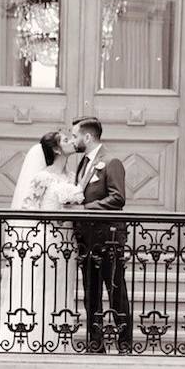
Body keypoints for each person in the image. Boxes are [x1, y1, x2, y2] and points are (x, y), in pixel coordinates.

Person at [0, 130, 84, 351]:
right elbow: (28, 208)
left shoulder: (71, 177)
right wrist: (53, 219)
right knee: (41, 286)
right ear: (57, 149)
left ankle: (57, 340)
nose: (72, 141)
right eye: (66, 140)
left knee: (60, 287)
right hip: (45, 239)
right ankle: (32, 339)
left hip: (66, 243)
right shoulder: (42, 177)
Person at [70, 116, 133, 353]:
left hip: (108, 238)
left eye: (75, 135)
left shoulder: (111, 161)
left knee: (116, 291)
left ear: (87, 137)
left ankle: (124, 343)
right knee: (91, 293)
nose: (73, 140)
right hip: (87, 241)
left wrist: (84, 209)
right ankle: (95, 344)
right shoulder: (82, 163)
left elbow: (118, 198)